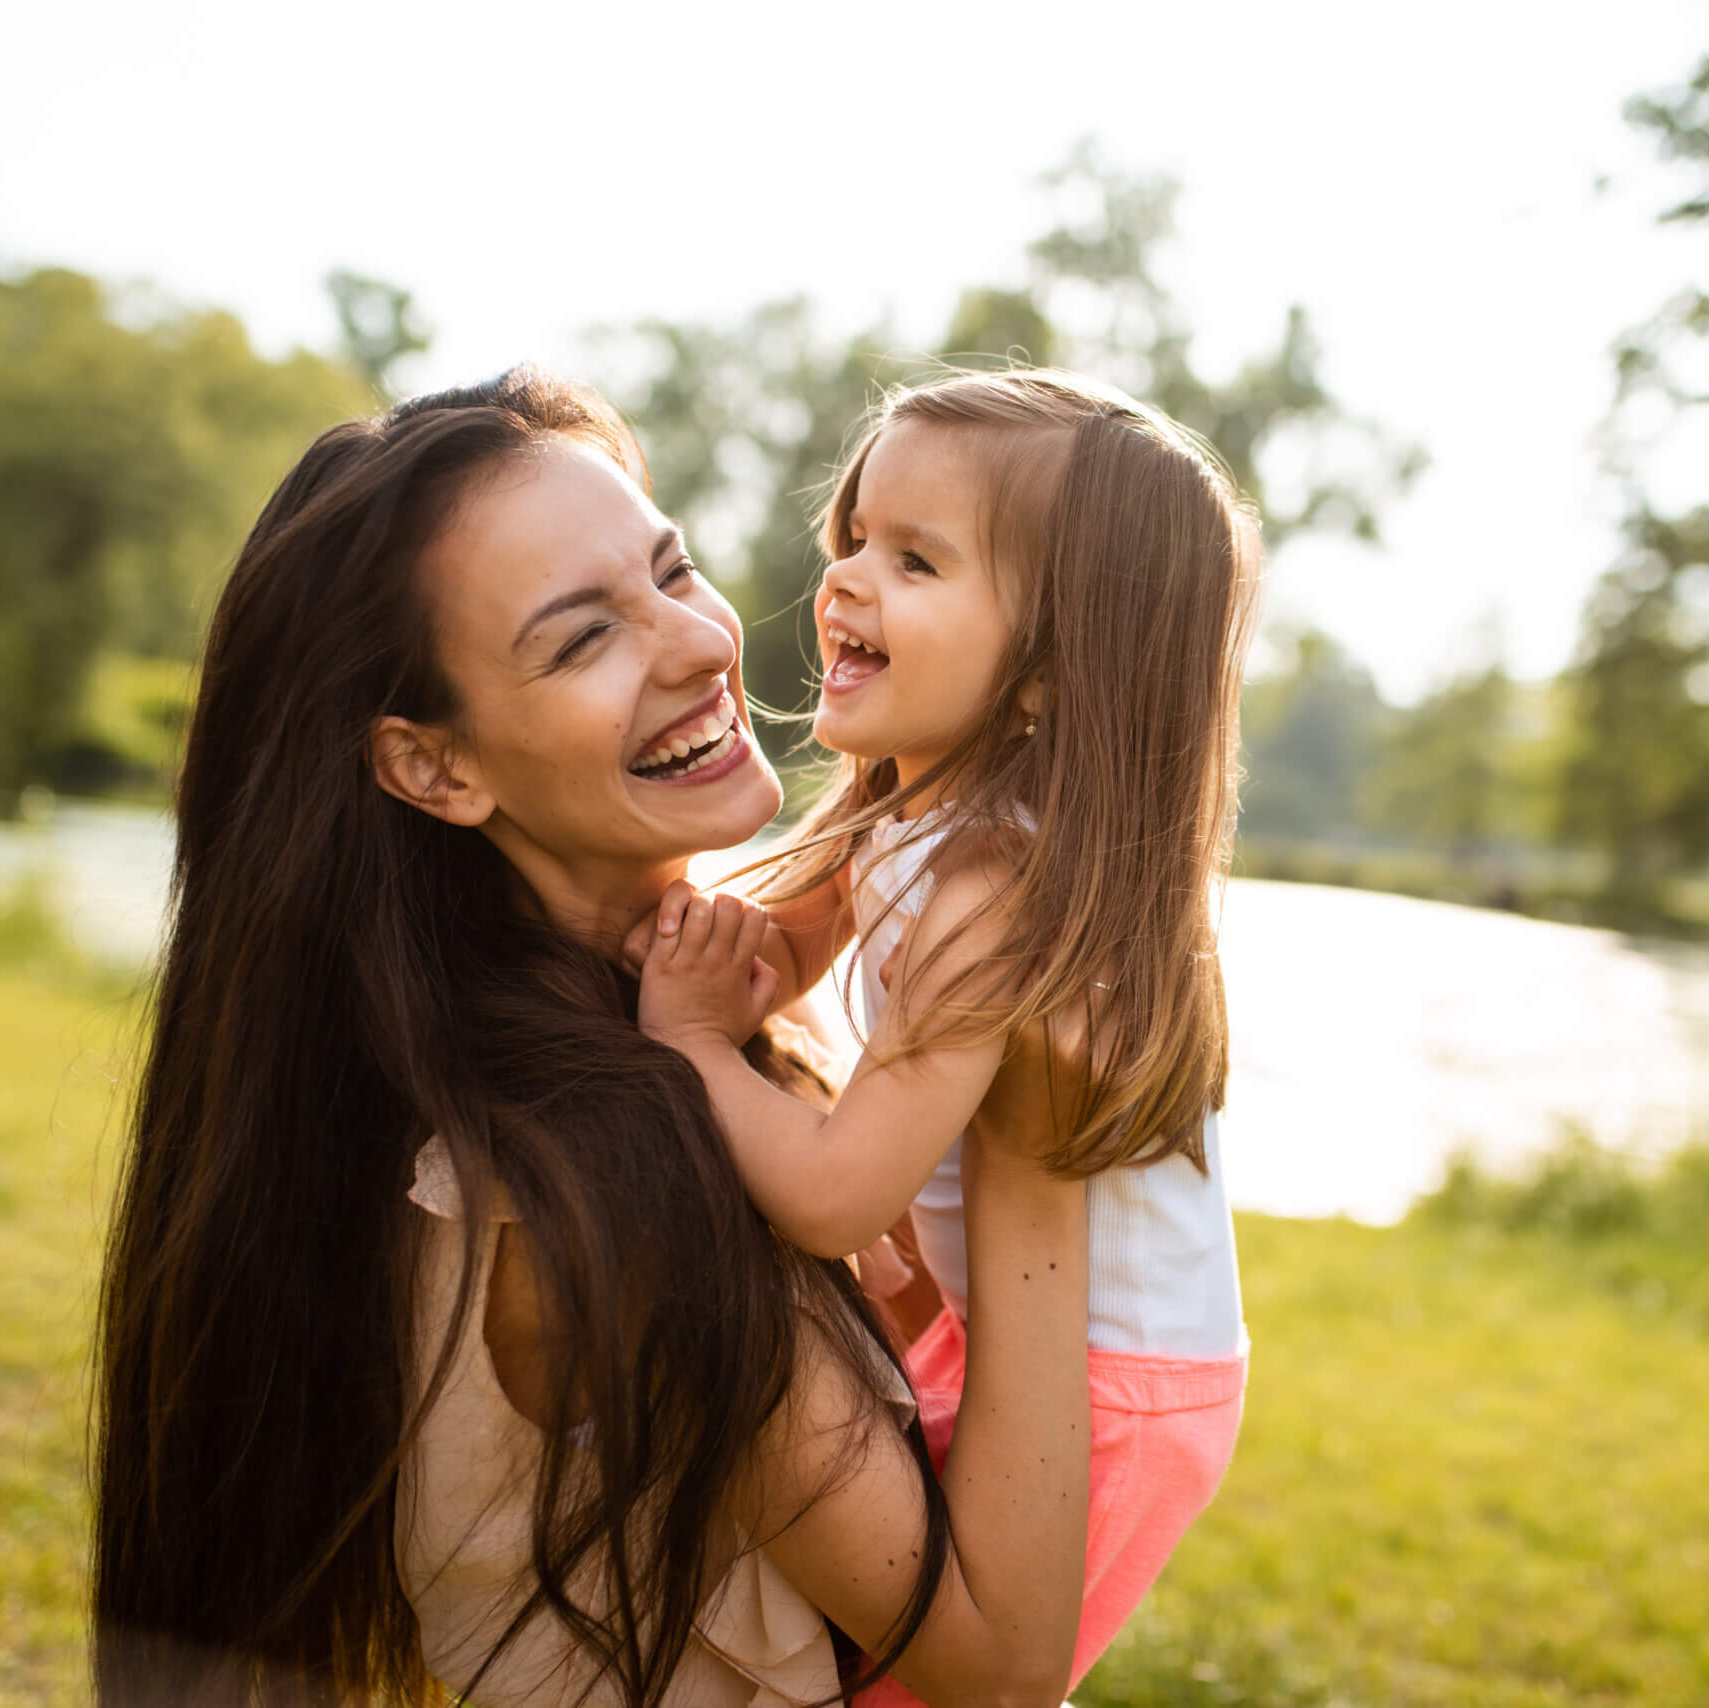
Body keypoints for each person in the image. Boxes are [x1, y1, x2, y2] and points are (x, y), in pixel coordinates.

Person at [92, 368, 1094, 1708]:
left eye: (674, 572)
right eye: (582, 641)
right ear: (435, 767)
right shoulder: (606, 1184)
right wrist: (1040, 1132)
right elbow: (1003, 1663)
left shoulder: (644, 1028)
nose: (698, 643)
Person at [632, 369, 1257, 1699]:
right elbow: (767, 950)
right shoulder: (903, 810)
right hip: (1018, 1334)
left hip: (1119, 1393)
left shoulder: (993, 897)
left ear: (1044, 677)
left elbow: (833, 1192)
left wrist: (686, 1049)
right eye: (854, 538)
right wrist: (701, 970)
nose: (847, 580)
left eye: (914, 561)